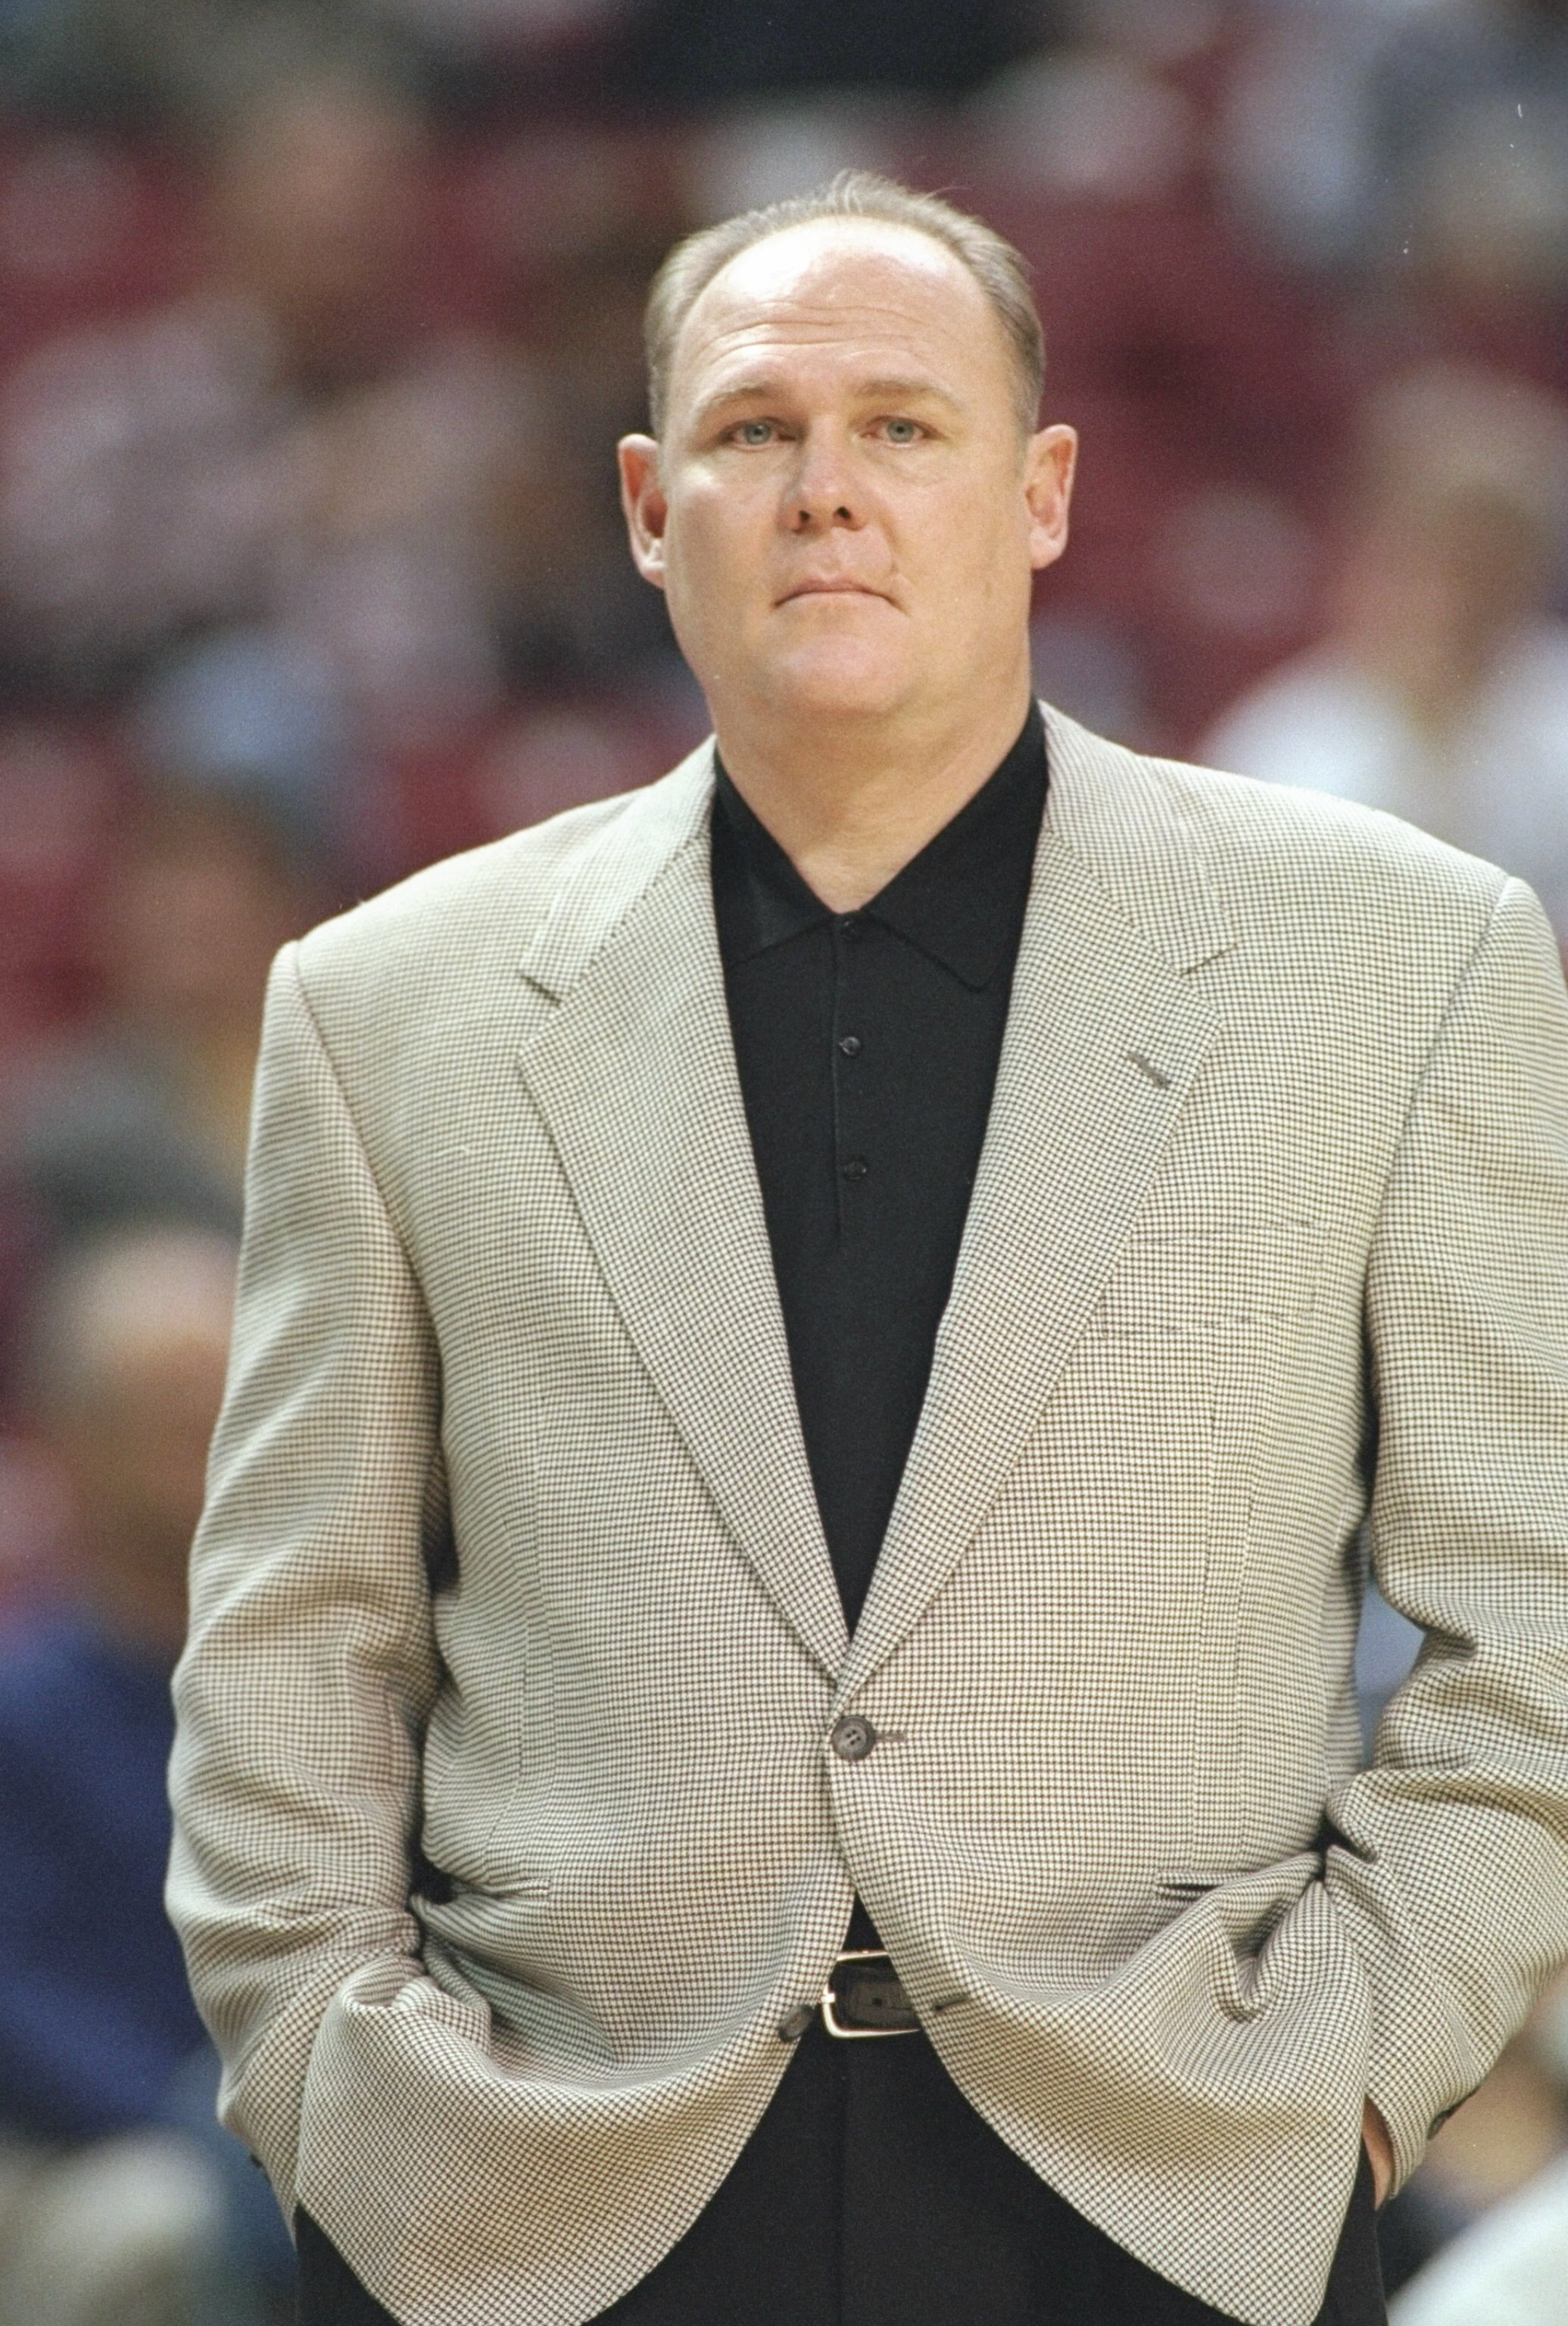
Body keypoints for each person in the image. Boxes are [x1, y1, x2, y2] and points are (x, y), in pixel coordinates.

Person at [168, 173, 1568, 2326]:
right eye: (753, 433)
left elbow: (1528, 1621)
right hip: (538, 2214)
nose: (824, 492)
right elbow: (293, 1647)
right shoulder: (386, 1008)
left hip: (1162, 2196)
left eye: (901, 429)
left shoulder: (1403, 961)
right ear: (649, 507)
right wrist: (345, 2097)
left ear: (1041, 492)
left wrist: (1350, 2088)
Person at [0, 1226, 288, 2326]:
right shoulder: (25, 1710)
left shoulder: (335, 1686)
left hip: (313, 2122)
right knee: (163, 2228)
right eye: (164, 1410)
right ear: (69, 1442)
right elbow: (19, 2014)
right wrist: (211, 2130)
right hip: (84, 2149)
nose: (204, 1439)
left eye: (227, 1400)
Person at [1202, 364, 1568, 947]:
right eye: (1441, 560)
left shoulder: (1554, 707)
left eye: (1493, 566)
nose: (1460, 601)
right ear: (1371, 558)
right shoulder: (1285, 750)